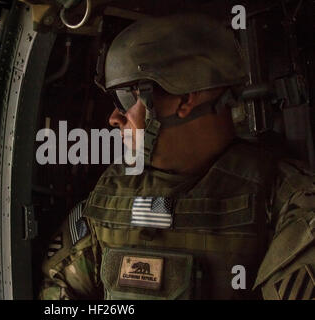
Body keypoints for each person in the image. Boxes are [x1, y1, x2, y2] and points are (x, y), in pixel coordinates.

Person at [39, 14, 315, 300]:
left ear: (185, 98)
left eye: (126, 97)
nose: (113, 118)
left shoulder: (288, 203)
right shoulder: (109, 198)